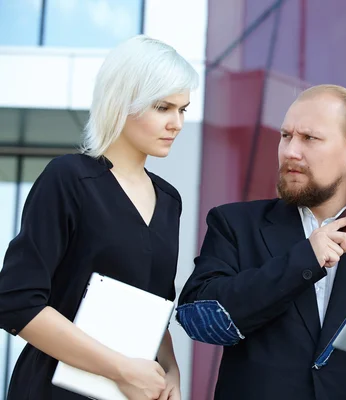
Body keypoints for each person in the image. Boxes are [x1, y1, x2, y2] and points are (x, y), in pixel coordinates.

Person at [177, 84, 346, 400]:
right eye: (286, 136)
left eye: (309, 138)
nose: (291, 150)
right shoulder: (234, 224)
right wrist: (303, 260)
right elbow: (198, 318)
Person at [0, 35, 199, 400]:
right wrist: (122, 368)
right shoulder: (68, 178)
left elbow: (154, 305)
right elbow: (16, 302)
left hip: (129, 391)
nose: (177, 123)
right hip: (54, 389)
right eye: (163, 108)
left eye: (182, 109)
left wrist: (170, 370)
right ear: (122, 103)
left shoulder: (169, 200)